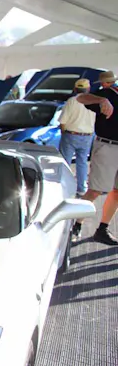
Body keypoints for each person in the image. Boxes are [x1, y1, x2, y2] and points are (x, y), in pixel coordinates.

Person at [71, 70, 118, 245]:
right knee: (95, 190)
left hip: (111, 146)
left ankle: (102, 229)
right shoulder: (105, 94)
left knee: (116, 192)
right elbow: (81, 98)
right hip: (108, 146)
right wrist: (101, 100)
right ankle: (75, 224)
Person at [58, 79, 95, 196]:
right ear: (88, 89)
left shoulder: (72, 101)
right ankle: (81, 189)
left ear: (75, 89)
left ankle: (65, 188)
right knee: (82, 162)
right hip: (87, 136)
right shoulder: (94, 101)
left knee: (65, 162)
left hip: (71, 134)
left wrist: (64, 133)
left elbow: (63, 121)